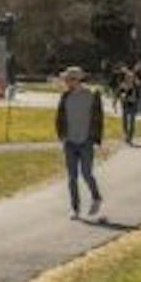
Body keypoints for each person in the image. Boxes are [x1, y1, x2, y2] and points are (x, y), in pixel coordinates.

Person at [53, 65, 104, 220]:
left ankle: (96, 197)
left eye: (69, 80)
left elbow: (98, 118)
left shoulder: (91, 95)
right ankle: (75, 208)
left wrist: (96, 138)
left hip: (85, 141)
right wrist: (62, 135)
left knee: (87, 174)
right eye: (66, 80)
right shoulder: (65, 96)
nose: (66, 83)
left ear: (76, 80)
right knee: (72, 177)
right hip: (70, 141)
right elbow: (59, 117)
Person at [117, 67, 140, 144]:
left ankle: (130, 137)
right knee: (125, 122)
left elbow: (139, 96)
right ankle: (126, 135)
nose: (129, 78)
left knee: (132, 122)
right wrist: (121, 96)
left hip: (133, 105)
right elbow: (118, 94)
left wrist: (137, 102)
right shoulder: (123, 85)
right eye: (128, 77)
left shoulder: (136, 86)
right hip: (125, 105)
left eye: (131, 77)